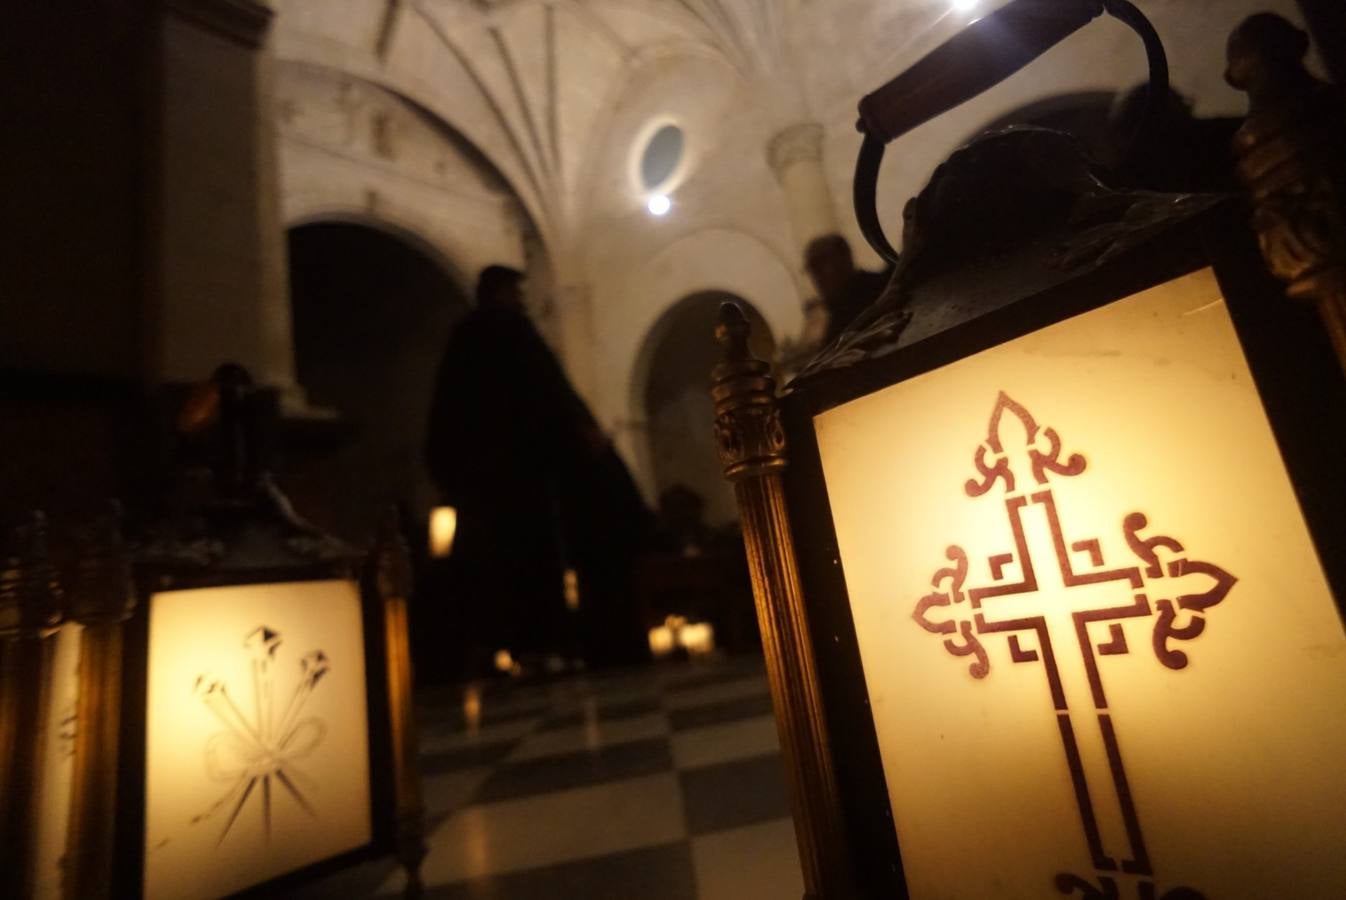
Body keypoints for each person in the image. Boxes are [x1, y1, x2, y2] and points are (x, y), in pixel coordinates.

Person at [424, 265, 651, 674]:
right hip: (525, 471)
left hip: (488, 474)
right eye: (516, 291)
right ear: (500, 292)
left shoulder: (466, 337)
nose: (522, 300)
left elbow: (450, 411)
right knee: (532, 555)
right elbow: (548, 388)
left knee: (496, 559)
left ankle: (505, 646)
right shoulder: (509, 329)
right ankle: (549, 644)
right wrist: (582, 432)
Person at [804, 233, 892, 344]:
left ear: (844, 257)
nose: (817, 277)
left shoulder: (880, 290)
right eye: (812, 269)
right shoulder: (836, 313)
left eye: (820, 263)